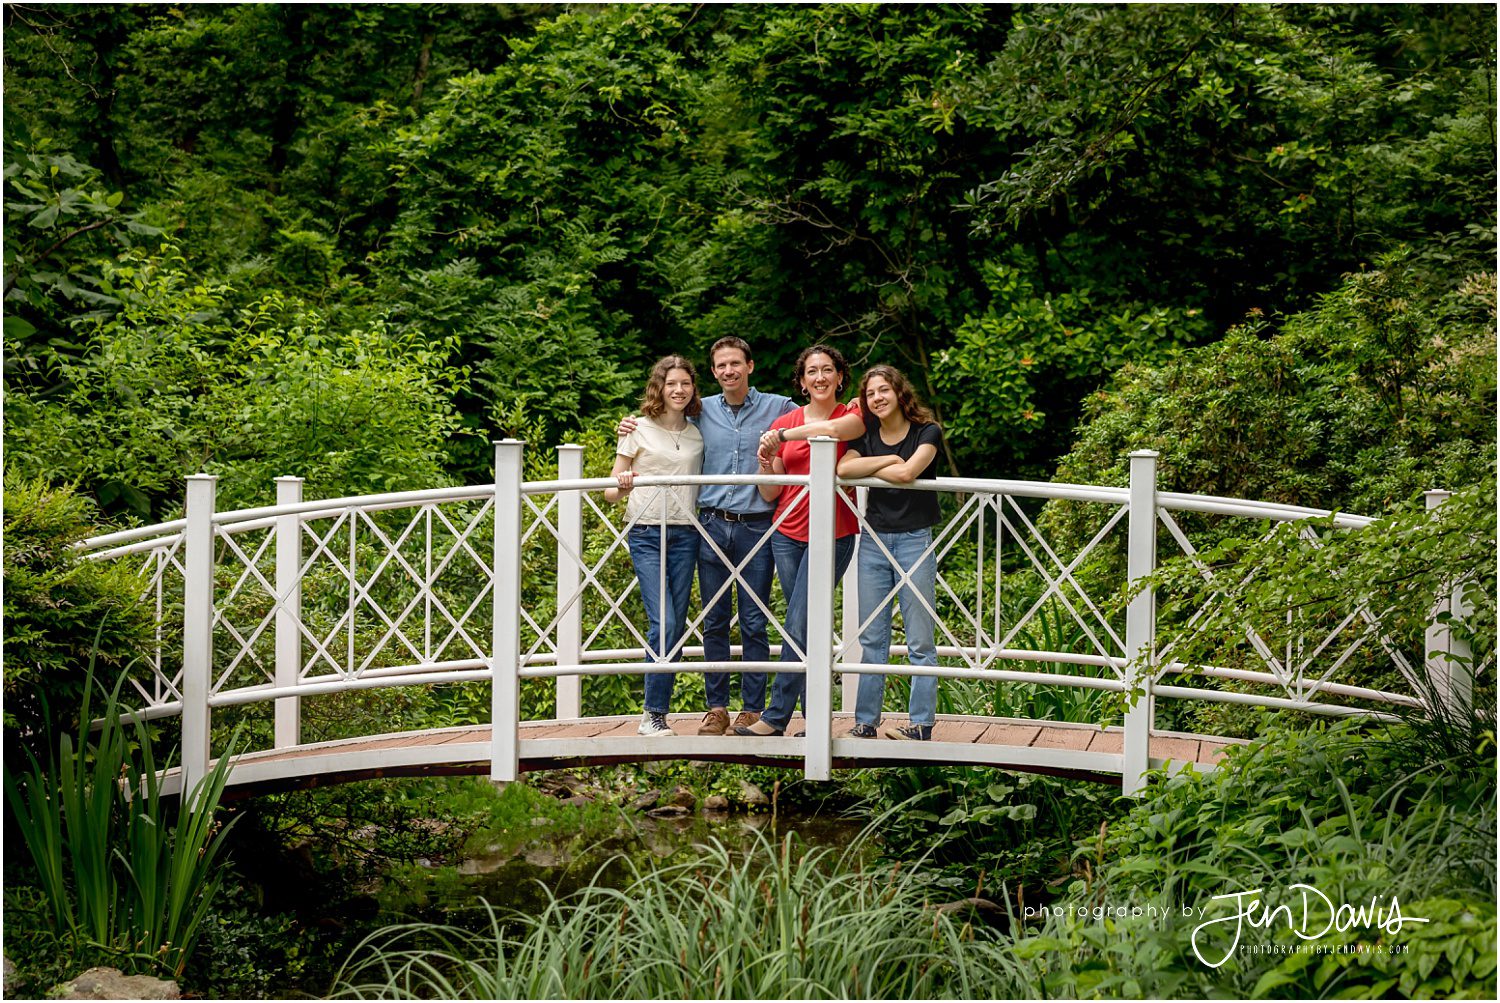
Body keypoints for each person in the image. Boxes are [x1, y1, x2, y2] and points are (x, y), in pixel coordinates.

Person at [617, 337, 797, 736]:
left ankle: (751, 709)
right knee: (713, 620)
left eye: (736, 363)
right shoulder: (702, 412)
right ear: (713, 373)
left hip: (756, 524)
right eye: (721, 366)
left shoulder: (779, 407)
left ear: (750, 365)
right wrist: (629, 426)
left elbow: (816, 418)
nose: (729, 371)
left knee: (753, 620)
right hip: (709, 525)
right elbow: (662, 429)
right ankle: (716, 708)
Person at [735, 345, 862, 737]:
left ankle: (775, 718)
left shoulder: (853, 416)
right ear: (802, 381)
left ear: (841, 377)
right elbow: (770, 493)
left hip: (835, 533)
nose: (820, 377)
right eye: (812, 372)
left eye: (828, 370)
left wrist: (783, 436)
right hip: (787, 535)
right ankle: (814, 718)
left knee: (799, 622)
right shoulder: (786, 419)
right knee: (805, 625)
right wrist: (764, 458)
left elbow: (833, 433)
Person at [836, 365, 945, 741]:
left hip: (915, 539)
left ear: (900, 392)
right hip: (874, 541)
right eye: (870, 394)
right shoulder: (867, 434)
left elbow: (909, 473)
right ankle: (865, 723)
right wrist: (887, 460)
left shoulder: (926, 431)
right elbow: (843, 468)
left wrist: (889, 467)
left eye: (884, 390)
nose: (877, 398)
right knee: (872, 638)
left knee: (919, 639)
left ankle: (920, 724)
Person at [605, 356, 705, 737]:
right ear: (659, 387)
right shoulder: (637, 428)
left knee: (675, 626)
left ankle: (658, 713)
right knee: (662, 621)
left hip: (687, 533)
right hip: (646, 531)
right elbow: (610, 492)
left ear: (693, 388)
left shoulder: (698, 433)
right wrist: (624, 483)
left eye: (685, 383)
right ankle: (653, 714)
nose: (678, 390)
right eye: (671, 384)